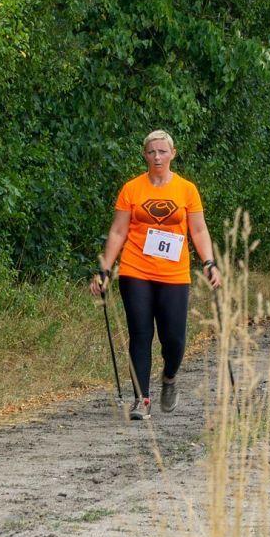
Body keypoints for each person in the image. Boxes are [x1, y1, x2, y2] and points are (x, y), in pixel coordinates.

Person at [90, 130, 221, 420]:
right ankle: (142, 399)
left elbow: (198, 230)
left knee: (174, 339)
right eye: (152, 152)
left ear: (173, 154)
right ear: (145, 155)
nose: (157, 157)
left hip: (174, 273)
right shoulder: (132, 189)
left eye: (162, 151)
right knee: (140, 333)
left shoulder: (186, 190)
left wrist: (209, 262)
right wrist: (104, 269)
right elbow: (118, 230)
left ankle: (170, 377)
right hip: (136, 269)